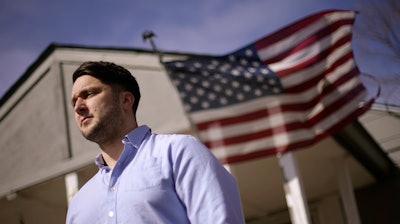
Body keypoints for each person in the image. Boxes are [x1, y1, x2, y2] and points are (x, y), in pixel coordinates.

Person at [66, 61, 245, 224]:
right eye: (74, 101)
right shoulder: (78, 204)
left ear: (126, 100)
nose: (78, 107)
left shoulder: (178, 152)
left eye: (88, 94)